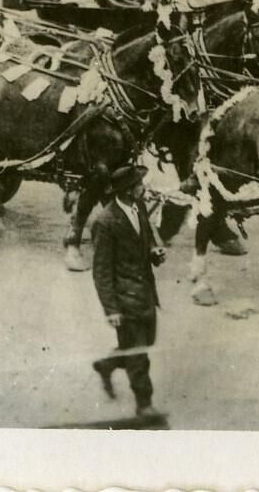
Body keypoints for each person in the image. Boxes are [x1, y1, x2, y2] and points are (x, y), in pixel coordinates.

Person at [90, 164, 164, 417]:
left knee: (145, 343)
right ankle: (144, 404)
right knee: (138, 354)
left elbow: (146, 237)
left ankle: (106, 365)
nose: (144, 187)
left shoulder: (138, 207)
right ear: (128, 190)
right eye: (139, 184)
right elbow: (101, 271)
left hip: (145, 294)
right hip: (125, 300)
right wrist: (111, 309)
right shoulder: (105, 222)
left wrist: (154, 251)